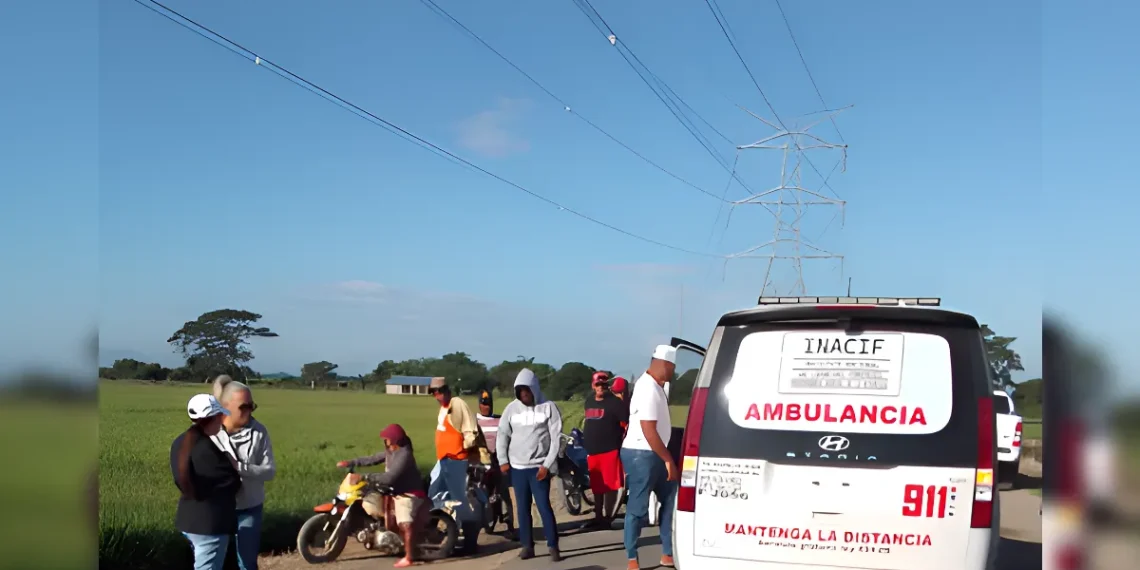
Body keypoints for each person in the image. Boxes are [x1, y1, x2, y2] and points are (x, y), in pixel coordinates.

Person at [336, 424, 426, 568]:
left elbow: (389, 477)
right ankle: (381, 532)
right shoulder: (391, 450)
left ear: (395, 440)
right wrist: (351, 462)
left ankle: (409, 557)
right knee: (369, 498)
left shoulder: (404, 455)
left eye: (387, 438)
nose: (385, 440)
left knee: (405, 523)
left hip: (407, 493)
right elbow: (373, 458)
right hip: (393, 490)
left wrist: (363, 477)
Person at [621, 346, 679, 570]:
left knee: (670, 502)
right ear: (664, 364)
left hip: (654, 452)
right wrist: (668, 460)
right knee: (638, 507)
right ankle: (632, 558)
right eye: (672, 369)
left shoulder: (656, 387)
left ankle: (667, 553)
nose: (672, 373)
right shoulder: (647, 388)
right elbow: (648, 429)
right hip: (642, 454)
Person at [170, 394, 242, 570]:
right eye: (220, 416)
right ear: (213, 418)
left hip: (189, 519)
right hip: (210, 524)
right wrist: (233, 464)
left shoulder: (181, 441)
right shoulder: (206, 449)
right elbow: (233, 483)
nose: (223, 420)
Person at [497, 369, 563, 561]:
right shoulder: (511, 409)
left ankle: (553, 546)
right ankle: (527, 545)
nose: (524, 396)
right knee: (522, 508)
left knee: (543, 506)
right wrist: (503, 460)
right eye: (520, 393)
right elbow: (503, 434)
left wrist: (547, 465)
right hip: (517, 468)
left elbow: (555, 438)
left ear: (534, 389)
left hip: (539, 467)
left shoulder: (548, 407)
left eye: (527, 392)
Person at [213, 376, 276, 570]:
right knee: (215, 561)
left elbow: (269, 471)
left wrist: (240, 467)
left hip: (249, 507)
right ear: (225, 407)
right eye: (243, 406)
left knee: (246, 563)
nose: (249, 411)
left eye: (252, 406)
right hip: (216, 507)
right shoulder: (210, 431)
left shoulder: (259, 432)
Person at [427, 377, 483, 551]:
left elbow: (470, 430)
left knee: (460, 501)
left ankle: (469, 542)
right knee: (435, 496)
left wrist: (462, 448)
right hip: (444, 460)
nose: (437, 395)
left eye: (440, 391)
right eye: (433, 392)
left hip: (456, 460)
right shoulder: (443, 409)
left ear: (447, 390)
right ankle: (437, 537)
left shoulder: (457, 403)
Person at [583, 371, 629, 529]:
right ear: (593, 385)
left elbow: (625, 424)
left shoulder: (615, 403)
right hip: (592, 451)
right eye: (598, 385)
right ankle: (598, 516)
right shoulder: (589, 401)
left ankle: (608, 518)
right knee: (597, 487)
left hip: (610, 450)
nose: (600, 387)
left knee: (610, 486)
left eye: (603, 385)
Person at [475, 390, 515, 537]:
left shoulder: (500, 420)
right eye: (484, 404)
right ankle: (488, 522)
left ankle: (509, 521)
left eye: (490, 404)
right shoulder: (474, 421)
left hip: (500, 461)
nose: (487, 407)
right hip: (482, 464)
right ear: (479, 405)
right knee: (484, 494)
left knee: (504, 492)